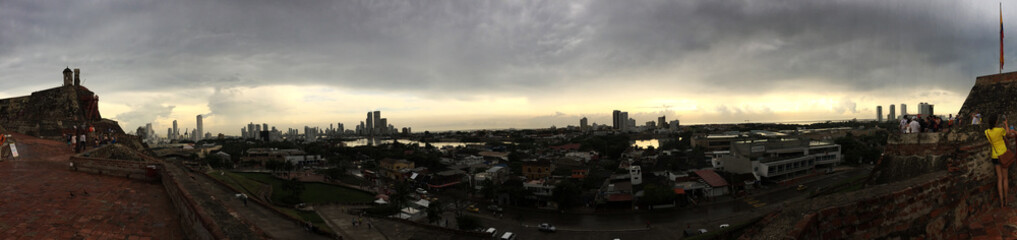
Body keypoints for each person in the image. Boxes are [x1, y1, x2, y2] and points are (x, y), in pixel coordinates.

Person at [985, 115, 1017, 208]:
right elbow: (1007, 134)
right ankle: (1006, 200)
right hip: (1003, 155)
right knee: (1005, 179)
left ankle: (1001, 203)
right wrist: (1006, 124)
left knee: (999, 179)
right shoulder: (1000, 130)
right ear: (996, 122)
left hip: (994, 156)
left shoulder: (986, 132)